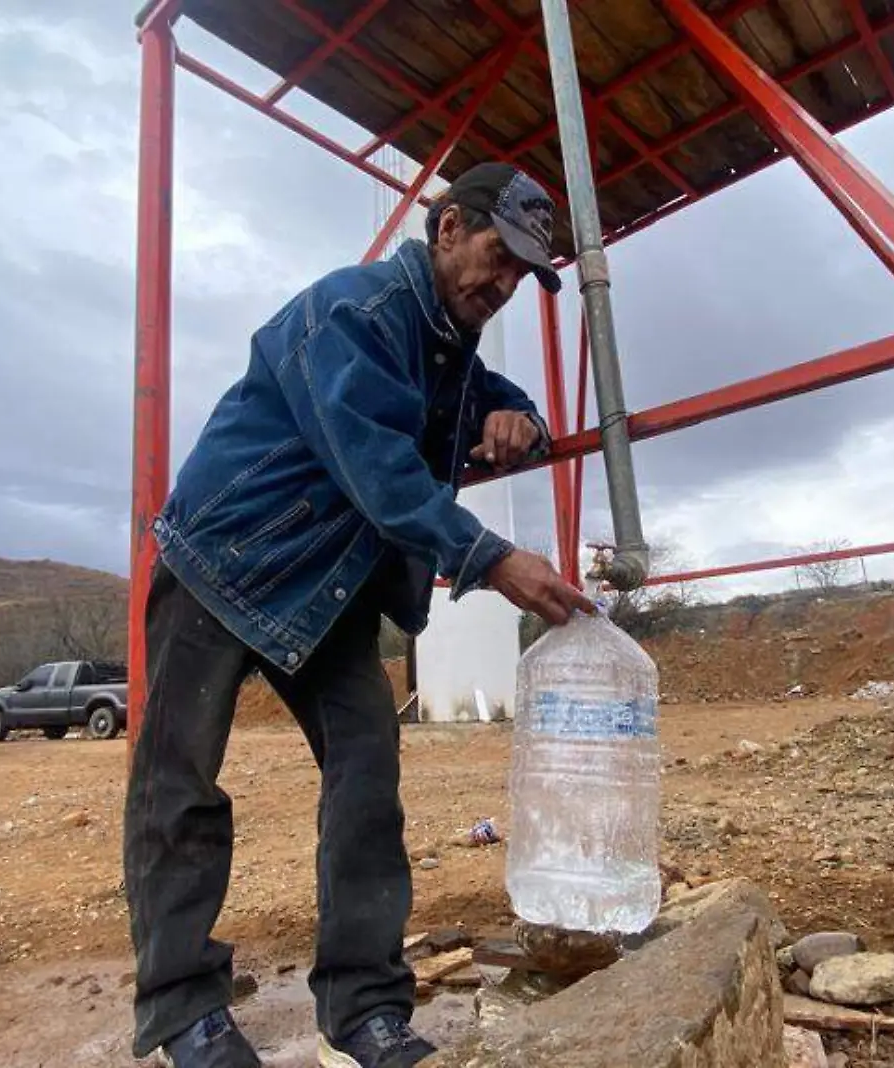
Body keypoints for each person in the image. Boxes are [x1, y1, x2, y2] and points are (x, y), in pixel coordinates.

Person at [125, 161, 597, 1068]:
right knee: (178, 784)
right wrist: (492, 558)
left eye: (518, 276)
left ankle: (366, 1009)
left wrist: (520, 414)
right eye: (496, 258)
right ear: (447, 227)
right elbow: (378, 464)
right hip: (224, 561)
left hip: (326, 587)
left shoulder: (448, 343)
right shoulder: (353, 313)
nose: (499, 287)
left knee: (367, 776)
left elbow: (460, 397)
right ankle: (185, 1010)